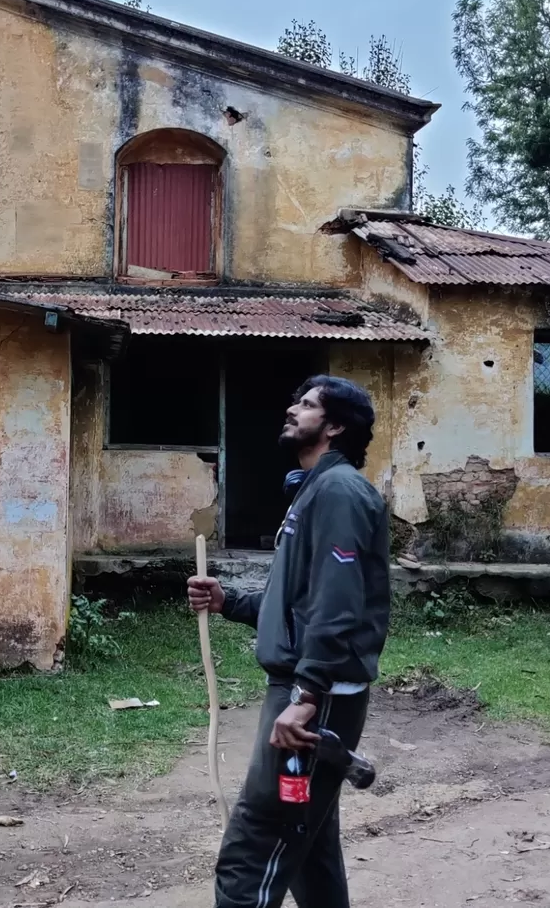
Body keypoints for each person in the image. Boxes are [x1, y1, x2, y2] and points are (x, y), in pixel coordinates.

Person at [188, 375, 390, 908]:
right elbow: (298, 601)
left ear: (336, 425)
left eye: (306, 404)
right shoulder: (313, 492)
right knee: (307, 839)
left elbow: (338, 603)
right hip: (308, 694)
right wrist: (227, 601)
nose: (291, 409)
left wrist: (304, 698)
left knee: (256, 844)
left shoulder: (340, 493)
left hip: (313, 702)